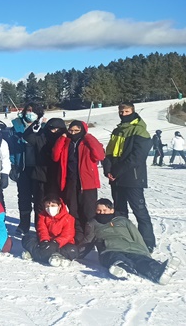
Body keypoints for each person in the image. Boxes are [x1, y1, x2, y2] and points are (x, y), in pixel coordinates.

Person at [85, 199, 180, 284]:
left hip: (132, 248)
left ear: (112, 210)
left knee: (141, 260)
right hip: (109, 250)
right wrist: (77, 253)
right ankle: (123, 269)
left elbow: (137, 236)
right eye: (99, 210)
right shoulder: (92, 223)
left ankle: (159, 271)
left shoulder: (123, 221)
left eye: (105, 210)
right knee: (116, 258)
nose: (102, 213)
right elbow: (87, 241)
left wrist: (145, 253)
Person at [104, 102, 155, 251]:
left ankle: (147, 241)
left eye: (126, 111)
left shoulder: (139, 131)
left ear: (133, 111)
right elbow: (108, 153)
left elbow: (137, 157)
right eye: (121, 112)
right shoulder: (117, 131)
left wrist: (117, 171)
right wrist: (108, 169)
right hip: (116, 178)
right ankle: (124, 238)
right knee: (120, 211)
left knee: (139, 210)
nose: (123, 114)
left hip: (133, 177)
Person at [52, 120, 105, 244]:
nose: (73, 133)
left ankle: (92, 237)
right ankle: (79, 236)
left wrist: (88, 137)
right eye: (71, 130)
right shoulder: (66, 142)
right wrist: (62, 138)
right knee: (73, 211)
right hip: (70, 181)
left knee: (88, 211)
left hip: (87, 183)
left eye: (77, 131)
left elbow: (99, 155)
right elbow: (55, 156)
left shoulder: (87, 142)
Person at [8, 102, 46, 235]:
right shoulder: (16, 127)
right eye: (28, 110)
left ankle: (39, 224)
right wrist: (13, 165)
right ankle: (24, 224)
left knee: (40, 197)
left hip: (38, 168)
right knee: (24, 197)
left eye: (33, 110)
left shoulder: (43, 127)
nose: (30, 113)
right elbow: (11, 148)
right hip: (22, 168)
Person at [22, 117, 66, 218]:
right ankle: (40, 225)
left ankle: (56, 225)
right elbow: (27, 136)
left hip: (58, 176)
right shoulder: (41, 137)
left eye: (57, 129)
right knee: (40, 204)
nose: (54, 131)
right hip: (40, 176)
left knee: (56, 203)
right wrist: (36, 124)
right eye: (52, 129)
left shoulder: (64, 139)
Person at [21, 196, 78, 267]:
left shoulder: (68, 218)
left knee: (72, 250)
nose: (50, 208)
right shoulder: (42, 216)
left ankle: (40, 255)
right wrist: (44, 240)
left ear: (59, 206)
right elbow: (42, 229)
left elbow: (68, 234)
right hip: (46, 242)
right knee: (27, 238)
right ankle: (45, 255)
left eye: (53, 206)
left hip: (61, 244)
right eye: (47, 206)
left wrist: (56, 242)